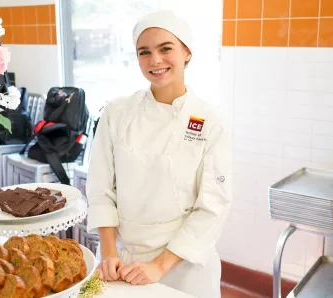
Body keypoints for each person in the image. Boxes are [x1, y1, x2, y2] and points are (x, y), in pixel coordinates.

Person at [85, 10, 232, 298]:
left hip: (185, 266)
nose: (155, 61)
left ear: (187, 52)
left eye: (166, 49)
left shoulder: (210, 119)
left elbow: (213, 205)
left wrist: (158, 266)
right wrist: (109, 252)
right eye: (144, 52)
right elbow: (100, 187)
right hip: (123, 260)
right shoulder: (117, 111)